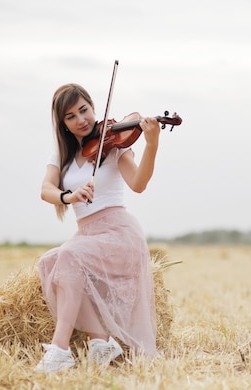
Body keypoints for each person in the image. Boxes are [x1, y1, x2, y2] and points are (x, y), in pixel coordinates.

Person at [34, 83, 160, 373]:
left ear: (93, 107)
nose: (81, 120)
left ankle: (60, 349)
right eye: (71, 116)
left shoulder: (114, 148)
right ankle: (100, 341)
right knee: (48, 262)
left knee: (67, 256)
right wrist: (69, 196)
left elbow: (139, 184)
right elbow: (46, 189)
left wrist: (151, 145)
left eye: (84, 110)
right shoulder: (62, 156)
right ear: (63, 124)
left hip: (119, 234)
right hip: (87, 234)